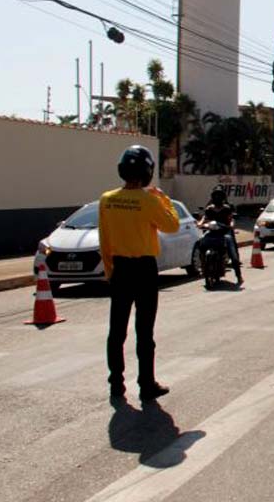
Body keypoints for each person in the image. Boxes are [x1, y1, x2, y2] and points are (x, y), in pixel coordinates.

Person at [99, 145, 180, 401]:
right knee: (144, 331)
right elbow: (172, 225)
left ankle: (116, 384)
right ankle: (146, 384)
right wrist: (163, 199)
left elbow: (105, 241)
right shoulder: (149, 200)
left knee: (116, 331)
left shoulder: (107, 200)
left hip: (120, 268)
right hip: (144, 269)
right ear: (147, 171)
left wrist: (110, 272)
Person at [198, 185, 242, 285]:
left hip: (224, 233)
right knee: (201, 243)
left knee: (233, 253)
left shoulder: (227, 209)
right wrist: (200, 224)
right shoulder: (209, 209)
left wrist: (231, 226)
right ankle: (203, 267)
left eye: (219, 196)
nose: (217, 198)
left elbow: (231, 220)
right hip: (211, 233)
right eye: (215, 196)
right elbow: (204, 219)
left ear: (223, 198)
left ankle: (239, 275)